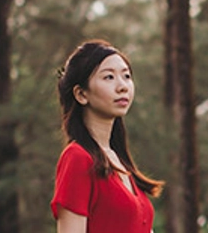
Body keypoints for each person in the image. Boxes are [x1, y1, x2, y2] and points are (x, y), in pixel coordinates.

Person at [51, 40, 164, 233]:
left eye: (127, 76)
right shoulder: (77, 158)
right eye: (109, 77)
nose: (123, 86)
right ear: (81, 94)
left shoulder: (119, 162)